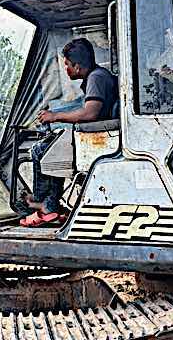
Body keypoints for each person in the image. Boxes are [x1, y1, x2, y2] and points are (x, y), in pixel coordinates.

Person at [21, 38, 118, 227]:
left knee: (39, 150)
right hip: (97, 132)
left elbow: (90, 113)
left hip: (98, 135)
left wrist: (55, 117)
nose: (65, 69)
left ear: (78, 66)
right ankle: (50, 203)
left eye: (67, 65)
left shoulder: (96, 78)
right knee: (50, 146)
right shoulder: (97, 76)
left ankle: (44, 204)